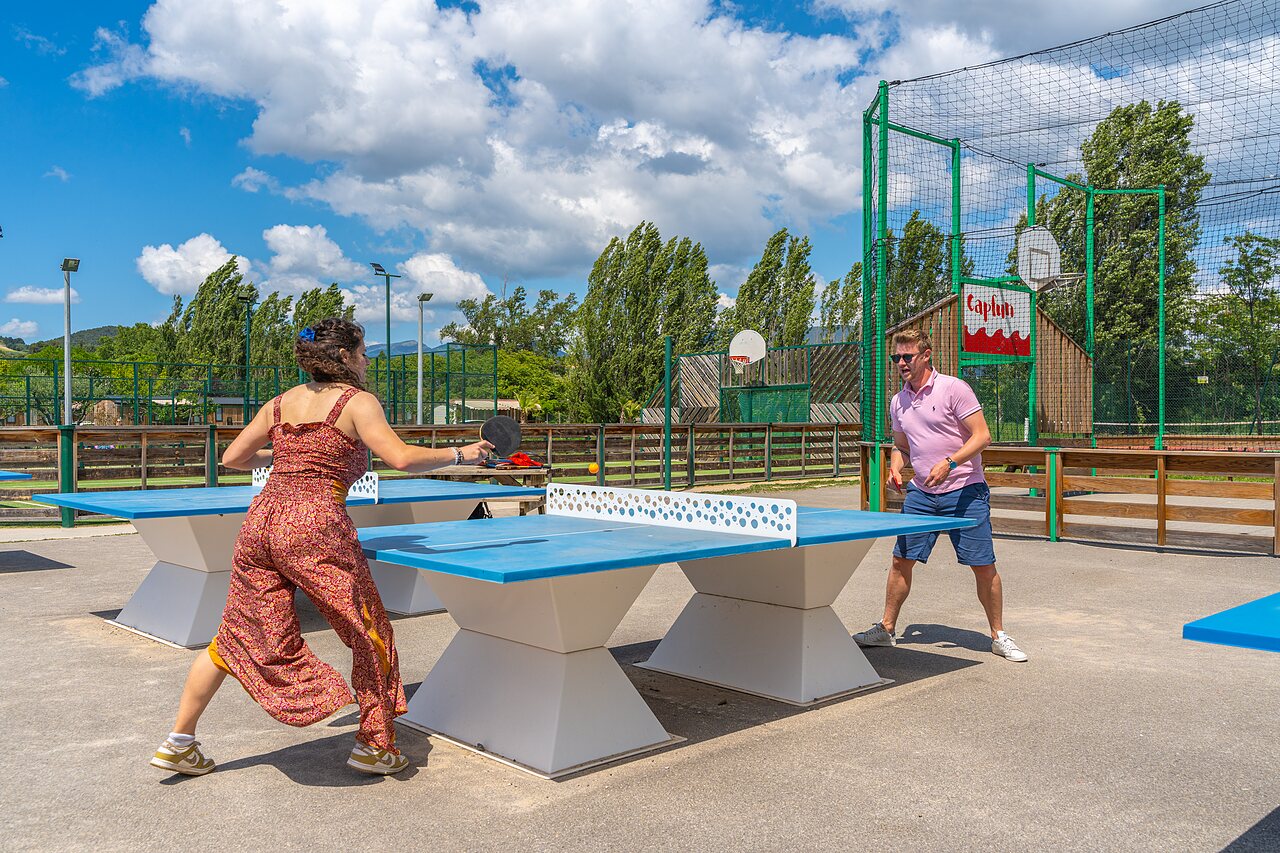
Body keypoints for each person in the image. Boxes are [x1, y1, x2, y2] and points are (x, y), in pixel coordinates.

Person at [149, 318, 493, 778]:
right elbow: (403, 458)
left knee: (235, 637)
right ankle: (374, 745)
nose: (368, 359)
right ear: (346, 356)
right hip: (315, 524)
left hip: (262, 522)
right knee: (368, 633)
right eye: (364, 350)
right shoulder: (357, 402)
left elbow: (233, 458)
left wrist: (288, 454)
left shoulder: (280, 403)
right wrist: (461, 454)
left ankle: (179, 741)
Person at [853, 328, 1028, 663]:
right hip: (921, 493)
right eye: (896, 358)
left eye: (907, 356)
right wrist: (894, 467)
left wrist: (949, 463)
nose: (901, 363)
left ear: (926, 354)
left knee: (983, 565)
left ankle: (999, 636)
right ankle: (887, 629)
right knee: (900, 561)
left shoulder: (954, 388)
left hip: (966, 491)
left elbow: (982, 436)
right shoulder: (898, 401)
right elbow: (901, 446)